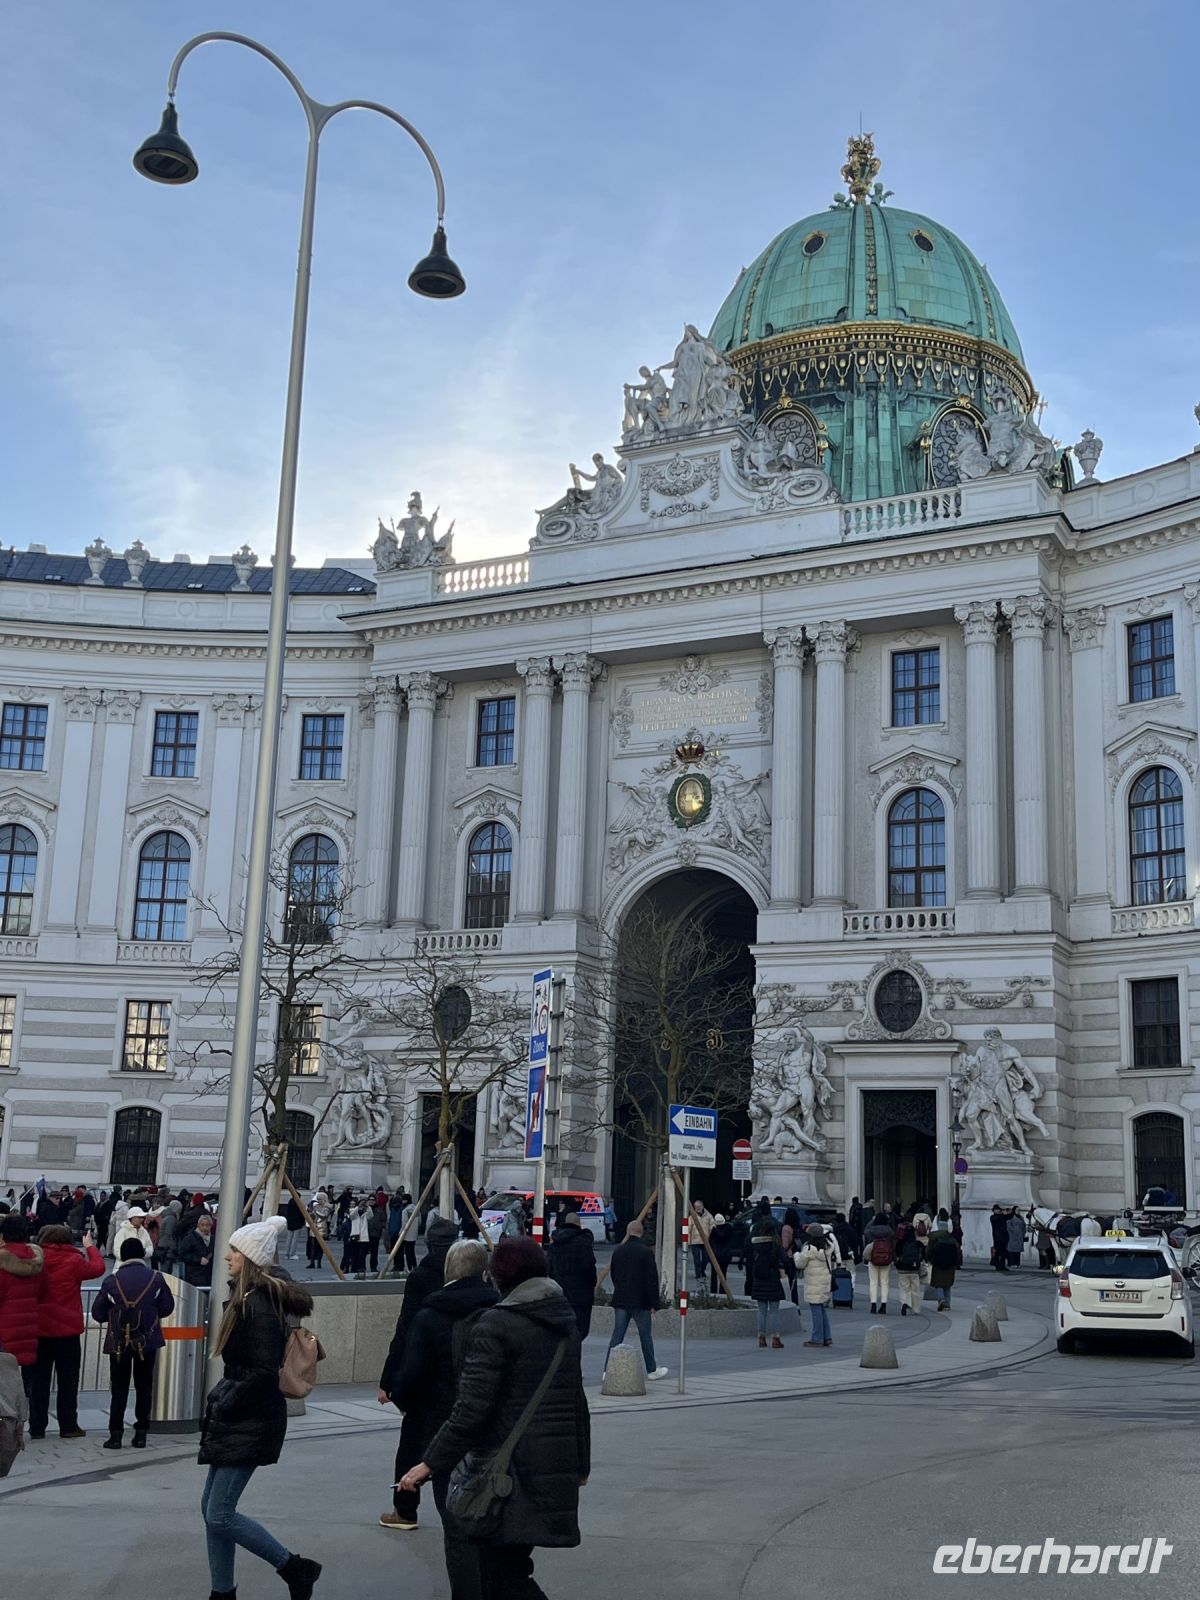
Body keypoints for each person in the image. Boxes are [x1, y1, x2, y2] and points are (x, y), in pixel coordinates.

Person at [399, 1237, 590, 1600]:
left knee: (502, 1575)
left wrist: (428, 1464)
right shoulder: (563, 1320)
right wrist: (581, 1462)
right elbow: (576, 1401)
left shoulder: (496, 1325)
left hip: (508, 1472)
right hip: (553, 1465)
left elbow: (471, 1410)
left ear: (497, 1276)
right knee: (510, 1568)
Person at [196, 1214, 320, 1600]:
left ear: (249, 1257)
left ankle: (293, 1567)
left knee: (219, 1512)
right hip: (241, 1413)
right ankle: (222, 1590)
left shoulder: (259, 1305)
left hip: (250, 1416)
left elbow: (262, 1371)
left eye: (233, 1250)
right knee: (212, 1510)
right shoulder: (246, 1297)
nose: (227, 1256)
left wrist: (226, 1400)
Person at [392, 1239, 498, 1599]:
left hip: (440, 1430)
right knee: (486, 1520)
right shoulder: (498, 1312)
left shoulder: (430, 1315)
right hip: (490, 1433)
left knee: (454, 1523)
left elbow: (410, 1377)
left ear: (448, 1272)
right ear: (484, 1272)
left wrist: (409, 1405)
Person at [379, 1216, 460, 1530]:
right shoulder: (472, 1278)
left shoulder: (421, 1276)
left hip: (423, 1376)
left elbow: (405, 1330)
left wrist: (389, 1379)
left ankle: (405, 1509)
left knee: (411, 1446)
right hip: (460, 1375)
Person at [91, 1237, 175, 1448]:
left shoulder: (112, 1280)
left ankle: (116, 1434)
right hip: (147, 1340)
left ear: (123, 1255)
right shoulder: (156, 1278)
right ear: (141, 1255)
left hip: (118, 1342)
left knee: (118, 1388)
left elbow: (98, 1313)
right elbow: (167, 1307)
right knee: (144, 1386)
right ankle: (141, 1434)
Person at [29, 1222, 105, 1439]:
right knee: (68, 1381)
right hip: (67, 1329)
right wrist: (90, 1246)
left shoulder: (36, 1259)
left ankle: (37, 1427)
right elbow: (98, 1268)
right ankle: (68, 1425)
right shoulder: (74, 1260)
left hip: (39, 1328)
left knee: (39, 1382)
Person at [605, 1220, 666, 1378]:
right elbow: (651, 1279)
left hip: (621, 1299)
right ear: (641, 1232)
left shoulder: (618, 1251)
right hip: (641, 1301)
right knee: (645, 1336)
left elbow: (614, 1275)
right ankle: (651, 1369)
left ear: (628, 1231)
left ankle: (607, 1370)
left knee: (617, 1336)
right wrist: (654, 1303)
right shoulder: (645, 1252)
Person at [0, 1215, 44, 1403]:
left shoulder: (2, 1259)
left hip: (4, 1327)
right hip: (29, 1325)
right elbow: (41, 1291)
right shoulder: (35, 1259)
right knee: (25, 1384)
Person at [547, 1211, 597, 1339]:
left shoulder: (555, 1245)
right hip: (581, 1295)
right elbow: (589, 1269)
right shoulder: (583, 1243)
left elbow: (548, 1270)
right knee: (580, 1331)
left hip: (559, 1294)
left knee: (561, 1332)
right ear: (578, 1224)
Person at [746, 1217, 787, 1348]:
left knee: (761, 1311)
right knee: (774, 1311)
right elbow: (784, 1259)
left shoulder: (757, 1244)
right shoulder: (775, 1244)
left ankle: (761, 1338)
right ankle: (775, 1338)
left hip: (759, 1281)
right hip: (773, 1280)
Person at [796, 1223, 836, 1347]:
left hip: (813, 1283)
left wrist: (797, 1254)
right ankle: (827, 1336)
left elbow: (799, 1264)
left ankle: (817, 1338)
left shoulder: (809, 1250)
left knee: (816, 1311)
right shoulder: (828, 1247)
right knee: (821, 1309)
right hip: (824, 1282)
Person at [862, 1210, 896, 1314]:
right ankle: (884, 1304)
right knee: (885, 1282)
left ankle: (873, 1304)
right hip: (886, 1257)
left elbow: (865, 1231)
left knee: (873, 1282)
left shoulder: (871, 1230)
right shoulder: (889, 1230)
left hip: (873, 1256)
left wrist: (871, 1221)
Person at [927, 1219, 962, 1311]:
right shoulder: (952, 1239)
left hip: (937, 1264)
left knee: (938, 1284)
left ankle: (941, 1299)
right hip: (950, 1265)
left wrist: (929, 1259)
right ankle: (947, 1304)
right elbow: (958, 1253)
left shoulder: (934, 1238)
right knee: (947, 1285)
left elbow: (928, 1251)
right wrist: (957, 1263)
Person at [895, 1217, 925, 1317]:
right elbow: (923, 1255)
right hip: (914, 1269)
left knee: (904, 1288)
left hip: (903, 1269)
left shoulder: (901, 1243)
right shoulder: (918, 1244)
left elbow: (896, 1254)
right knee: (915, 1289)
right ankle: (916, 1309)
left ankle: (905, 1302)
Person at [179, 1212, 216, 1287]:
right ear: (198, 1225)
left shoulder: (213, 1239)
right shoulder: (190, 1238)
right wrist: (198, 1260)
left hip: (209, 1276)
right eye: (202, 1225)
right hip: (194, 1276)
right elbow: (182, 1255)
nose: (205, 1227)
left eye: (207, 1225)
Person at [708, 1213, 734, 1293]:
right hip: (725, 1255)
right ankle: (722, 1290)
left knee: (714, 1274)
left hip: (715, 1255)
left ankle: (713, 1290)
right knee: (723, 1273)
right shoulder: (729, 1228)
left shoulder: (714, 1230)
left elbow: (710, 1241)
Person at [689, 1200, 714, 1281]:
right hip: (695, 1240)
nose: (698, 1209)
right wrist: (687, 1241)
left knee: (705, 1258)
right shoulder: (692, 1216)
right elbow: (688, 1228)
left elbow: (712, 1226)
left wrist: (710, 1235)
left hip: (705, 1240)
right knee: (696, 1258)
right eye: (696, 1208)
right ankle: (698, 1273)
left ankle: (702, 1270)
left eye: (699, 1207)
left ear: (702, 1206)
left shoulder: (708, 1216)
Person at [366, 1196, 385, 1273]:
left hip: (375, 1234)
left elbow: (384, 1220)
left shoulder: (379, 1210)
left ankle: (373, 1267)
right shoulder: (365, 1209)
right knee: (363, 1252)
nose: (371, 1201)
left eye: (373, 1200)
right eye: (370, 1200)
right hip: (366, 1234)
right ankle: (361, 1267)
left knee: (374, 1253)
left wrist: (379, 1227)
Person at [990, 1205, 1011, 1272]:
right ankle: (997, 1265)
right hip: (997, 1238)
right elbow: (996, 1219)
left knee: (1004, 1253)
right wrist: (1003, 1213)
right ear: (994, 1211)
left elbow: (1009, 1217)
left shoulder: (1003, 1217)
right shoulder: (992, 1217)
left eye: (998, 1209)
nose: (998, 1210)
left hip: (1004, 1237)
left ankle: (1003, 1266)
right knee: (997, 1253)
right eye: (996, 1210)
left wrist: (1010, 1211)